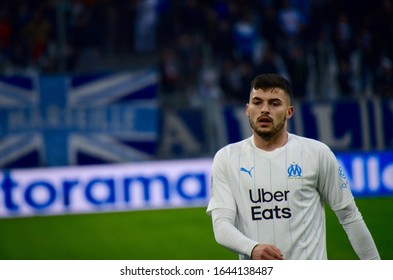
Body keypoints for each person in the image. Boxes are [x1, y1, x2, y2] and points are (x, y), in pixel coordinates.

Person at [206, 73, 380, 260]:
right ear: (248, 110)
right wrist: (253, 248)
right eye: (257, 102)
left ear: (289, 112)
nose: (264, 110)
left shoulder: (317, 153)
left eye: (274, 103)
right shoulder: (227, 158)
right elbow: (221, 225)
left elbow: (349, 217)